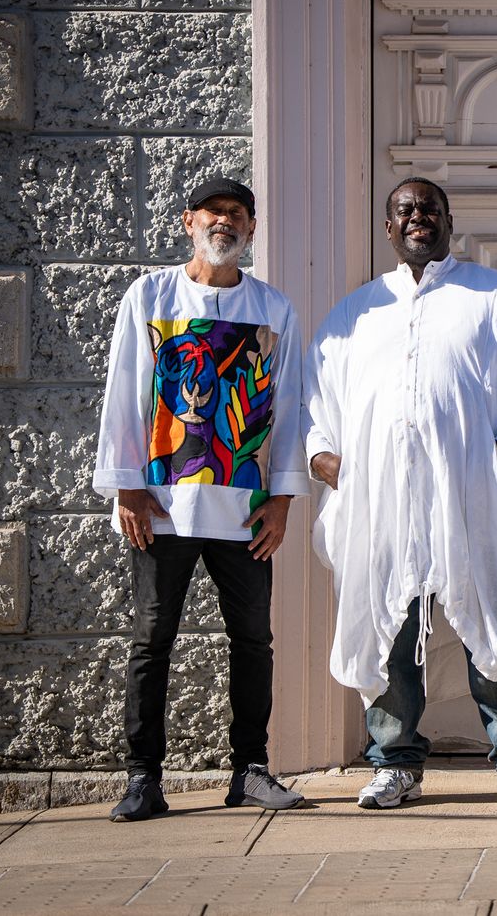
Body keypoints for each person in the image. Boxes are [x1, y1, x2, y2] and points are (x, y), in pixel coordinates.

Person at [303, 177, 497, 813]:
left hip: (478, 502)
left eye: (430, 208)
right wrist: (324, 459)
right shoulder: (357, 312)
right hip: (384, 507)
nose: (417, 216)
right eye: (404, 209)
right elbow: (317, 397)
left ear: (450, 222)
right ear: (388, 228)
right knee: (389, 625)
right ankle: (394, 762)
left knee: (496, 621)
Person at [94, 176, 309, 822]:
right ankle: (142, 778)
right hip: (161, 505)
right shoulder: (151, 295)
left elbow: (291, 404)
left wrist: (283, 499)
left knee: (253, 640)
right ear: (188, 221)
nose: (225, 222)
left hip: (244, 507)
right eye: (213, 212)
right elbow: (125, 388)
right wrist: (128, 485)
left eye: (238, 213)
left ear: (252, 227)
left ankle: (250, 770)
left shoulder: (274, 308)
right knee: (151, 638)